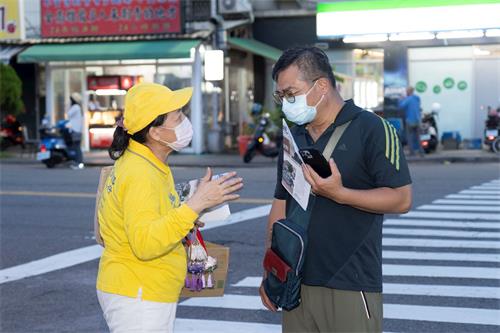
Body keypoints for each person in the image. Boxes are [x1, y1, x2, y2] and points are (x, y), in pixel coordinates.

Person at [259, 47, 412, 333]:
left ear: (322, 86)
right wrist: (271, 270)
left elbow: (401, 198)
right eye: (281, 96)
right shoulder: (295, 136)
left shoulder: (373, 129)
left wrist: (340, 194)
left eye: (291, 92)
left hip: (350, 282)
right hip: (296, 282)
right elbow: (281, 204)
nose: (286, 102)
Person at [95, 83, 243, 333]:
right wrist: (196, 204)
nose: (185, 122)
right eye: (178, 117)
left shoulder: (146, 162)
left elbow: (148, 218)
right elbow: (145, 243)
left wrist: (189, 214)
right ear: (156, 133)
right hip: (139, 294)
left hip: (142, 289)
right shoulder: (140, 172)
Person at [399, 86, 424, 156]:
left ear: (409, 92)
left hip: (410, 121)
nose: (406, 92)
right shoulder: (417, 98)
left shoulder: (408, 99)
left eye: (407, 91)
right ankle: (421, 152)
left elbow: (401, 106)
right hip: (418, 120)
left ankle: (412, 152)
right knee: (418, 137)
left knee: (409, 137)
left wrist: (401, 99)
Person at [66, 92, 84, 169]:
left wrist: (68, 106)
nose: (70, 101)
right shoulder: (79, 107)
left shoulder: (75, 107)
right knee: (77, 147)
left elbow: (68, 114)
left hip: (75, 130)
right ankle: (79, 162)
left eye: (71, 100)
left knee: (76, 147)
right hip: (78, 130)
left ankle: (78, 162)